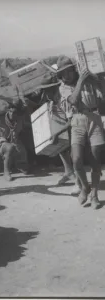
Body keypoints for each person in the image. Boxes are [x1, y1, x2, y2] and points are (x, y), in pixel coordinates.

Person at [54, 55, 105, 209]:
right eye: (64, 73)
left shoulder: (89, 80)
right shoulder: (63, 87)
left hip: (94, 118)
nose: (67, 75)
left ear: (74, 70)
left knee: (96, 159)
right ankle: (85, 187)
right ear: (61, 75)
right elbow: (73, 101)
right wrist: (82, 81)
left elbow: (102, 95)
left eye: (69, 71)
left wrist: (96, 79)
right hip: (77, 121)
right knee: (76, 159)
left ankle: (94, 193)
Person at [0, 99, 28, 181]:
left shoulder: (20, 120)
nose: (12, 114)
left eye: (15, 112)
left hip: (15, 142)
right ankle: (6, 172)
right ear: (8, 110)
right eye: (11, 111)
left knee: (26, 169)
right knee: (10, 147)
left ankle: (19, 165)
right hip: (1, 144)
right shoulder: (0, 119)